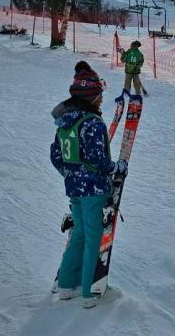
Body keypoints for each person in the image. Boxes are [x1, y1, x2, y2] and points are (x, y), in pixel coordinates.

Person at [50, 61, 127, 308]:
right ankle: (89, 292)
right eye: (99, 95)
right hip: (93, 189)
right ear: (91, 96)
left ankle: (66, 286)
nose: (102, 99)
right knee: (94, 238)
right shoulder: (92, 123)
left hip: (75, 189)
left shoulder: (66, 121)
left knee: (79, 234)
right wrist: (117, 168)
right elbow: (98, 160)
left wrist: (72, 175)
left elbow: (56, 156)